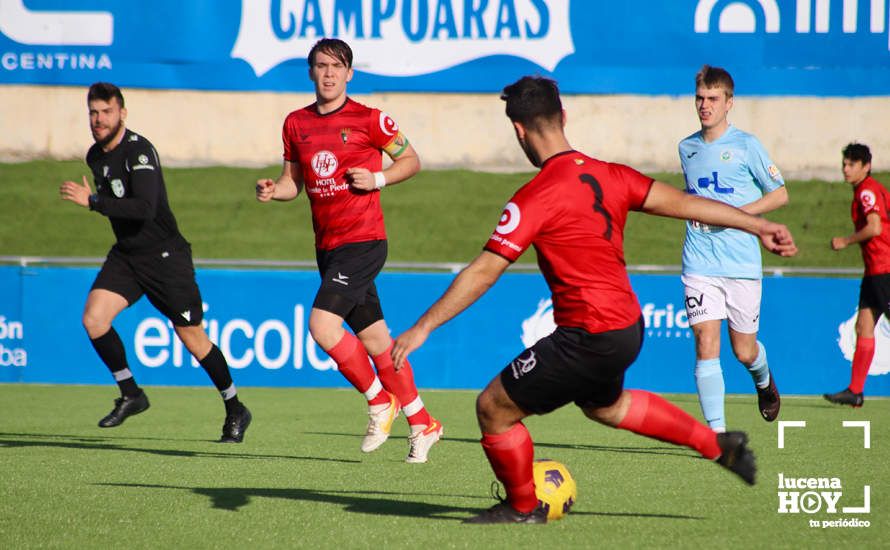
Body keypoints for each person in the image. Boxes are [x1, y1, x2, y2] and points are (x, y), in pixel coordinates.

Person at [391, 76, 798, 524]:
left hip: (587, 335)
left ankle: (523, 507)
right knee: (608, 406)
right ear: (563, 116)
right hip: (626, 327)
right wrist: (757, 226)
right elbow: (687, 203)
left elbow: (485, 270)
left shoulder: (534, 198)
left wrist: (423, 326)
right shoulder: (613, 174)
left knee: (493, 409)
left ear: (519, 132)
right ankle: (714, 443)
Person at [255, 38, 441, 463]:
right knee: (377, 341)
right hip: (328, 247)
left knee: (322, 326)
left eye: (336, 66)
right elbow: (292, 184)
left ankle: (379, 401)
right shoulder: (295, 124)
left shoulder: (370, 119)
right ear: (310, 72)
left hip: (364, 240)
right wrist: (273, 189)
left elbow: (411, 160)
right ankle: (422, 421)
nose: (328, 73)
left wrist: (377, 180)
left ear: (349, 73)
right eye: (321, 65)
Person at [59, 82, 251, 442]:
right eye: (93, 113)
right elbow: (118, 204)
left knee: (192, 337)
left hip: (165, 257)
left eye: (106, 112)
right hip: (128, 255)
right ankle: (132, 394)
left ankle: (235, 407)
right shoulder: (95, 155)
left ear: (122, 113)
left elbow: (145, 209)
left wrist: (94, 202)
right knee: (94, 319)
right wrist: (98, 201)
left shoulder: (139, 151)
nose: (99, 120)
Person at [678, 65, 787, 432]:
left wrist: (736, 215)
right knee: (705, 341)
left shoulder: (746, 145)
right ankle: (718, 435)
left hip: (740, 262)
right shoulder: (687, 148)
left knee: (744, 351)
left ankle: (764, 382)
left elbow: (780, 194)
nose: (704, 105)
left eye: (712, 99)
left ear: (729, 103)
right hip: (698, 260)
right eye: (700, 98)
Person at [824, 143, 890, 407]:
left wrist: (845, 240)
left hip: (884, 269)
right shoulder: (866, 191)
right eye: (845, 163)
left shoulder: (867, 191)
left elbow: (874, 227)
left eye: (852, 164)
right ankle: (855, 391)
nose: (846, 168)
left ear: (866, 167)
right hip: (873, 270)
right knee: (863, 327)